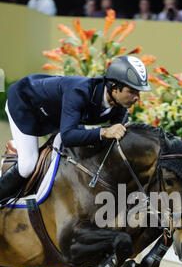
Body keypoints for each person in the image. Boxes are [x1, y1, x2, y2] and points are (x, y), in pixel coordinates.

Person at [0, 56, 151, 206]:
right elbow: (68, 137)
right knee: (28, 165)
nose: (137, 97)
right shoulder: (80, 92)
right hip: (25, 105)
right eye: (132, 91)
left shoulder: (119, 106)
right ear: (114, 87)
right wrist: (104, 132)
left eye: (138, 92)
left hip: (57, 117)